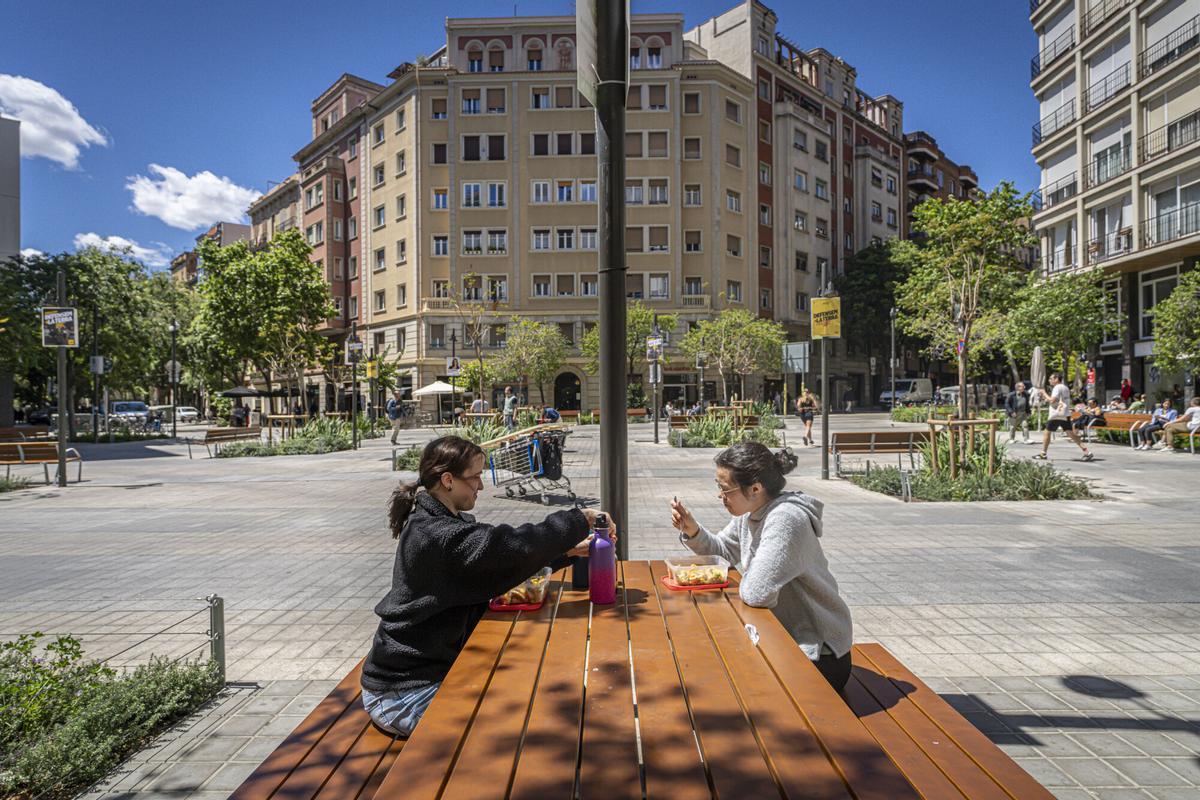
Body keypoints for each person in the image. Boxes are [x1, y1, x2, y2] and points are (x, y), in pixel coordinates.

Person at [362, 436, 616, 737]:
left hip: (423, 677)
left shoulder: (435, 522)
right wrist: (579, 519)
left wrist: (569, 551)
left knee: (534, 698)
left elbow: (492, 566)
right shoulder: (436, 534)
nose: (480, 486)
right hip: (404, 694)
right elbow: (506, 546)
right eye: (475, 477)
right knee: (526, 731)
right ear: (448, 480)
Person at [669, 443, 853, 692]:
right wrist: (692, 530)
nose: (719, 496)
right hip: (782, 639)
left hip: (817, 654)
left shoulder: (786, 519)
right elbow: (723, 550)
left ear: (755, 488)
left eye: (725, 489)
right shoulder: (752, 513)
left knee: (720, 681)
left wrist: (746, 575)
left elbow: (757, 592)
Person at [1033, 373, 1094, 461]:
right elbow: (1058, 400)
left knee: (1047, 432)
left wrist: (1044, 393)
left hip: (1056, 414)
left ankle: (1043, 453)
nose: (1049, 380)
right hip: (1065, 414)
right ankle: (1087, 452)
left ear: (1056, 379)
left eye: (1051, 378)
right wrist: (1047, 398)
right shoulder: (1065, 387)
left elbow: (1052, 400)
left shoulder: (1057, 387)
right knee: (1070, 433)